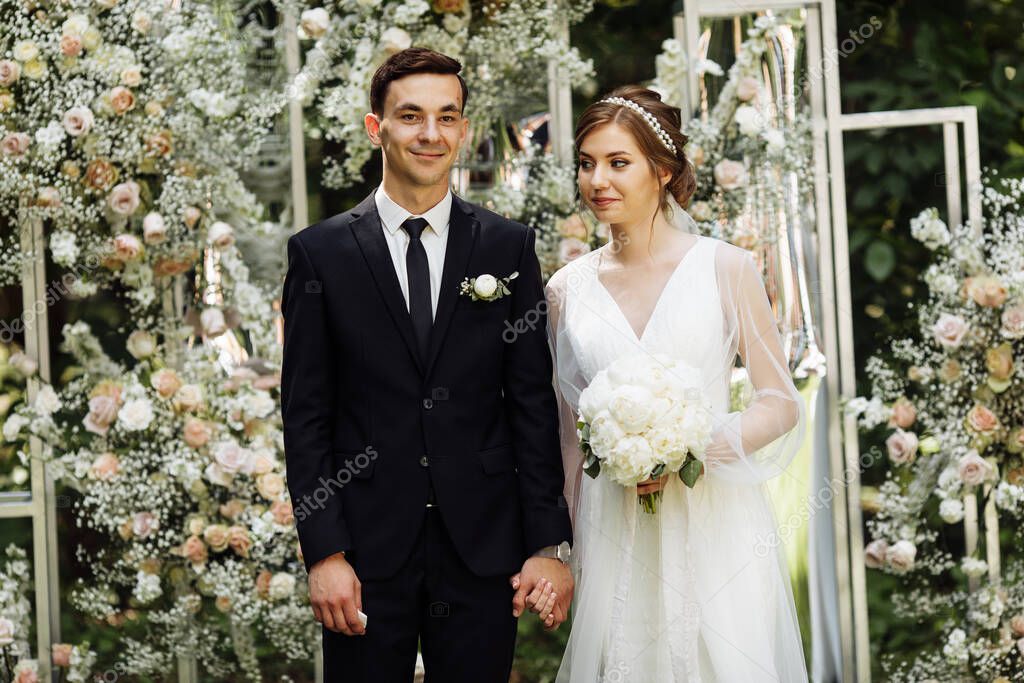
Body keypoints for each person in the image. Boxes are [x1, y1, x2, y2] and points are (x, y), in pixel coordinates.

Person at [279, 47, 574, 682]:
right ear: (374, 126)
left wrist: (547, 545)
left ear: (465, 129)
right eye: (411, 116)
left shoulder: (508, 245)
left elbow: (532, 404)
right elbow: (306, 416)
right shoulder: (319, 255)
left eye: (447, 117)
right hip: (363, 551)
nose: (431, 134)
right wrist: (323, 550)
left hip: (482, 547)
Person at [547, 86, 809, 682]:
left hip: (714, 519)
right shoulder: (566, 289)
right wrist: (561, 548)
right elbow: (568, 438)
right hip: (616, 527)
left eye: (618, 163)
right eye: (586, 164)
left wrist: (689, 448)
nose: (597, 181)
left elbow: (779, 401)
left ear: (662, 171)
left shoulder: (725, 268)